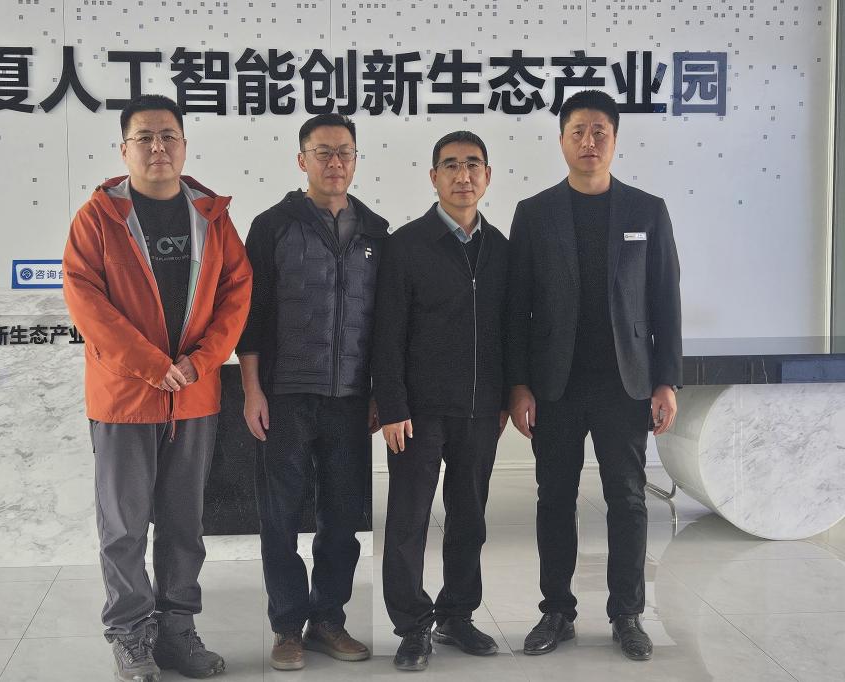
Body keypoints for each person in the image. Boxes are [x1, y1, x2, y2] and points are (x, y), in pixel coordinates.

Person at [62, 94, 252, 682]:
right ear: (124, 149)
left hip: (193, 397)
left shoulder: (211, 216)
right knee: (123, 527)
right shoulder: (98, 217)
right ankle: (130, 634)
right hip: (124, 399)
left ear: (184, 145)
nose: (157, 147)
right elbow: (86, 302)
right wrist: (150, 364)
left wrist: (203, 361)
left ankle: (177, 632)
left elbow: (237, 292)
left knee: (183, 524)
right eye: (144, 137)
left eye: (168, 135)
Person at [506, 89, 682, 662]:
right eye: (578, 131)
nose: (589, 141)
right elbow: (517, 307)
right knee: (554, 499)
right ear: (561, 140)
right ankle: (556, 611)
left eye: (599, 131)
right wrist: (518, 383)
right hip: (554, 385)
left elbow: (665, 300)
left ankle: (627, 614)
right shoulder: (534, 213)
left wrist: (666, 380)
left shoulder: (646, 210)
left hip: (624, 384)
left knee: (627, 500)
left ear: (614, 139)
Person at [237, 113, 388, 671]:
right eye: (322, 152)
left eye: (344, 152)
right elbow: (251, 317)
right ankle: (286, 626)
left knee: (342, 519)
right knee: (279, 517)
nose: (334, 162)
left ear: (356, 159)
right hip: (285, 395)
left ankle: (328, 620)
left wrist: (380, 392)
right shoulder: (272, 226)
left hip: (350, 398)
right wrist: (252, 391)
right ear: (302, 160)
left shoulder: (376, 230)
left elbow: (385, 324)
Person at [372, 131, 510, 672]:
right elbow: (386, 334)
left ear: (487, 176)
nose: (462, 175)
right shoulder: (406, 245)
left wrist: (506, 396)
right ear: (433, 177)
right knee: (408, 521)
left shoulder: (501, 248)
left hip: (481, 410)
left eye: (473, 164)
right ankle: (412, 627)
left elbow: (510, 331)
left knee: (469, 519)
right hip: (418, 412)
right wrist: (392, 405)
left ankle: (457, 614)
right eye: (450, 165)